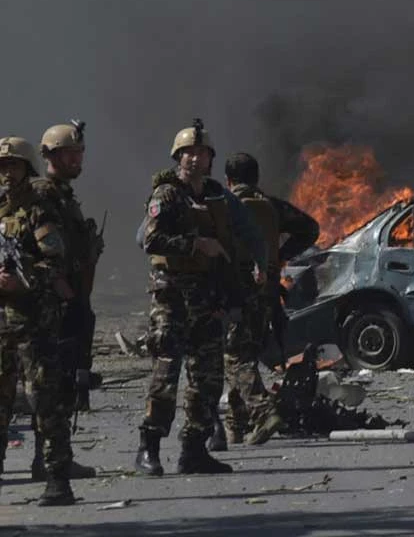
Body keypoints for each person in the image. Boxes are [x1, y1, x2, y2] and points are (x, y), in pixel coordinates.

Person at [134, 119, 263, 476]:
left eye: (202, 152)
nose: (195, 158)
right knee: (166, 372)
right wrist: (195, 245)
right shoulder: (167, 194)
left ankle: (194, 448)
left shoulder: (216, 196)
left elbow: (237, 239)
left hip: (207, 297)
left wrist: (237, 284)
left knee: (208, 377)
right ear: (178, 157)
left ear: (210, 159)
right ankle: (149, 446)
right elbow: (150, 240)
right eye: (188, 152)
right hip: (172, 296)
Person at [0, 136, 76, 505]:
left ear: (27, 168)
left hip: (33, 319)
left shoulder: (39, 210)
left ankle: (57, 477)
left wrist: (24, 277)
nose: (6, 173)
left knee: (45, 399)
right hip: (2, 321)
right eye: (2, 167)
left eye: (12, 165)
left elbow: (56, 263)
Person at [29, 120, 102, 481]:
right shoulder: (43, 195)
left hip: (70, 297)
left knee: (65, 379)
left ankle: (52, 457)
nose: (76, 159)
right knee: (52, 383)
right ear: (49, 156)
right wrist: (65, 292)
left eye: (78, 152)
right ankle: (50, 460)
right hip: (54, 301)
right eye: (68, 153)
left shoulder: (62, 196)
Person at [211, 152, 284, 449]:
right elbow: (309, 228)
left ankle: (263, 410)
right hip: (265, 291)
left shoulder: (224, 206)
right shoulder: (271, 206)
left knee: (235, 357)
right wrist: (277, 258)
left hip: (236, 289)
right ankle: (237, 426)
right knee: (245, 354)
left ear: (228, 179)